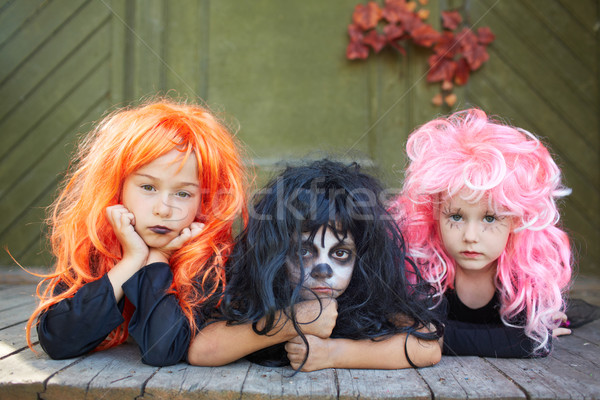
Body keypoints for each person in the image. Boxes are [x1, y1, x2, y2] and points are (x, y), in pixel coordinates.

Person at [26, 100, 247, 366]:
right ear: (117, 187)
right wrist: (131, 260)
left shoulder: (209, 260)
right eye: (148, 187)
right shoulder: (95, 246)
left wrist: (159, 258)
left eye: (183, 193)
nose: (164, 209)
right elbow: (59, 340)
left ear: (203, 203)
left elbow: (162, 349)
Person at [188, 159, 443, 371]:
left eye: (341, 253)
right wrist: (293, 321)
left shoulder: (368, 299)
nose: (323, 270)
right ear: (277, 254)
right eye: (304, 251)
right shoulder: (259, 294)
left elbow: (428, 346)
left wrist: (334, 354)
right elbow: (202, 351)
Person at [392, 108, 572, 358]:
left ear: (516, 221)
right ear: (434, 215)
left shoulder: (525, 278)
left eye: (490, 218)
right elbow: (414, 333)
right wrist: (520, 339)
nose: (470, 236)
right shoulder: (424, 270)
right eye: (456, 216)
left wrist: (433, 335)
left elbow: (530, 342)